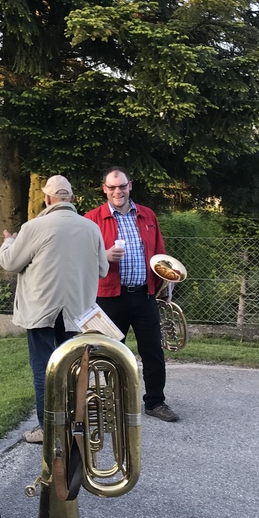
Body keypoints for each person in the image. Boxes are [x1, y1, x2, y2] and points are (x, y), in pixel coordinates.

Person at [0, 175, 109, 443]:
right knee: (73, 368)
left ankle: (47, 428)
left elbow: (10, 263)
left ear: (47, 199)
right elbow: (103, 269)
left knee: (44, 369)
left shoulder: (34, 227)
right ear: (71, 199)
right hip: (77, 312)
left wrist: (8, 242)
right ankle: (74, 423)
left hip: (41, 312)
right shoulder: (91, 228)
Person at [84, 166, 179, 422]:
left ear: (130, 186)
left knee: (153, 352)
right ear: (104, 189)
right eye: (112, 187)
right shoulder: (91, 219)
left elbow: (160, 253)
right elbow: (79, 259)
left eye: (122, 186)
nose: (118, 191)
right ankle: (115, 402)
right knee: (112, 353)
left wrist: (166, 283)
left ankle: (156, 402)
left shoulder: (147, 215)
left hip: (144, 295)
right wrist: (103, 256)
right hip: (108, 296)